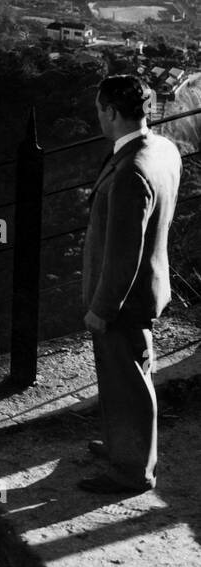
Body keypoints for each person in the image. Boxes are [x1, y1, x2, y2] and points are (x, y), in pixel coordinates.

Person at [80, 75, 181, 494]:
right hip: (148, 284)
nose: (98, 116)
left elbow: (123, 255)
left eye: (101, 109)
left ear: (114, 113)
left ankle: (132, 468)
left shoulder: (130, 173)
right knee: (129, 373)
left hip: (124, 297)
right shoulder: (162, 149)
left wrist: (101, 308)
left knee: (128, 378)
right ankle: (125, 445)